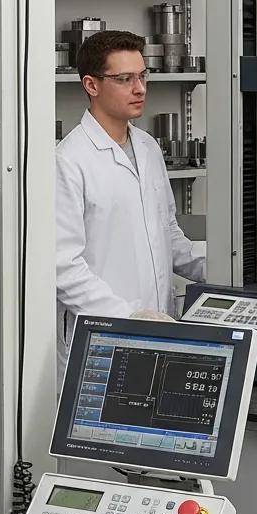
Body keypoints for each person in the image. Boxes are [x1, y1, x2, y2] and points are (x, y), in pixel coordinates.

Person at [55, 29, 205, 378]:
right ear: (91, 85)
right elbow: (64, 267)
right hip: (102, 340)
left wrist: (228, 268)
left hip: (161, 330)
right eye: (124, 79)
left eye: (142, 76)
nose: (139, 89)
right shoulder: (69, 160)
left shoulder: (148, 147)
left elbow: (168, 234)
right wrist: (129, 317)